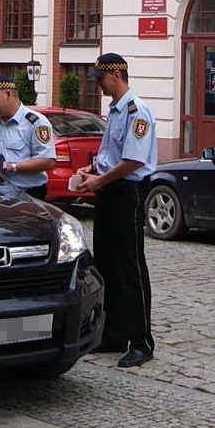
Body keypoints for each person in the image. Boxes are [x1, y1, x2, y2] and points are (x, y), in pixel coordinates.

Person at [76, 52, 157, 368]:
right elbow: (113, 155)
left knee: (130, 268)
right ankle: (113, 335)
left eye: (99, 79)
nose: (97, 85)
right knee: (107, 264)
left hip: (127, 193)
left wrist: (100, 181)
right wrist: (92, 171)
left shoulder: (137, 111)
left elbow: (135, 160)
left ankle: (141, 341)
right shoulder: (115, 110)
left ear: (115, 76)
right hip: (109, 191)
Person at [0, 75, 56, 199]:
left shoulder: (35, 122)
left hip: (27, 195)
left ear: (8, 94)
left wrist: (13, 167)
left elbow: (48, 161)